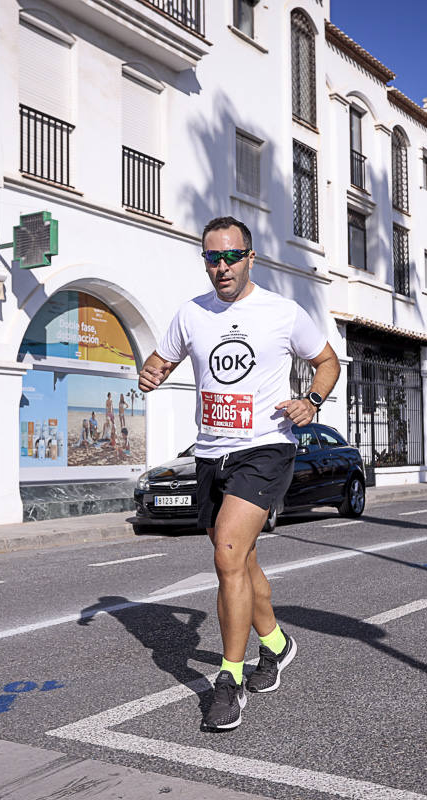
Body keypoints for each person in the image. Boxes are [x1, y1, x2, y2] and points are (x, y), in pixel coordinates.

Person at [138, 216, 340, 731]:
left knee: (227, 550)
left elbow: (327, 362)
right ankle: (276, 643)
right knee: (242, 561)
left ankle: (229, 679)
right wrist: (151, 373)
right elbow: (162, 360)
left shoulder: (282, 312)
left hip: (265, 447)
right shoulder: (191, 314)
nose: (221, 266)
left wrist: (311, 402)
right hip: (211, 452)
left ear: (251, 257)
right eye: (212, 257)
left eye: (231, 256)